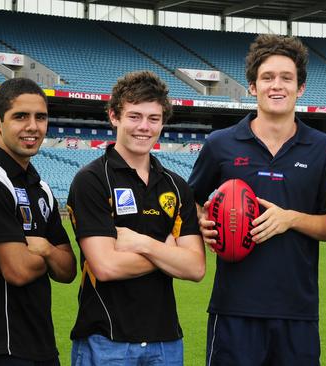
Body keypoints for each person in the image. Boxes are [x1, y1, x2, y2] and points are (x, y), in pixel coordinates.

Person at [188, 34, 326, 365]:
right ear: (252, 87)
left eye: (287, 78)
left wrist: (291, 219)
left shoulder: (322, 148)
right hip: (233, 310)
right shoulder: (220, 144)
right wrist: (202, 223)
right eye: (267, 77)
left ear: (300, 87)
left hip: (297, 313)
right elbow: (191, 200)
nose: (277, 85)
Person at [67, 71, 205, 365]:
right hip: (106, 342)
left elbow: (195, 268)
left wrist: (141, 243)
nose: (144, 127)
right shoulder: (91, 180)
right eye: (134, 116)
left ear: (163, 122)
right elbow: (105, 266)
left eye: (153, 118)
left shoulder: (177, 187)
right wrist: (170, 253)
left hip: (166, 342)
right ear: (114, 116)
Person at [0, 77, 77, 366]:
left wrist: (45, 249)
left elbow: (68, 270)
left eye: (41, 117)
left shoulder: (41, 188)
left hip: (41, 346)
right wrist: (49, 254)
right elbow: (18, 270)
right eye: (20, 116)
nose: (33, 126)